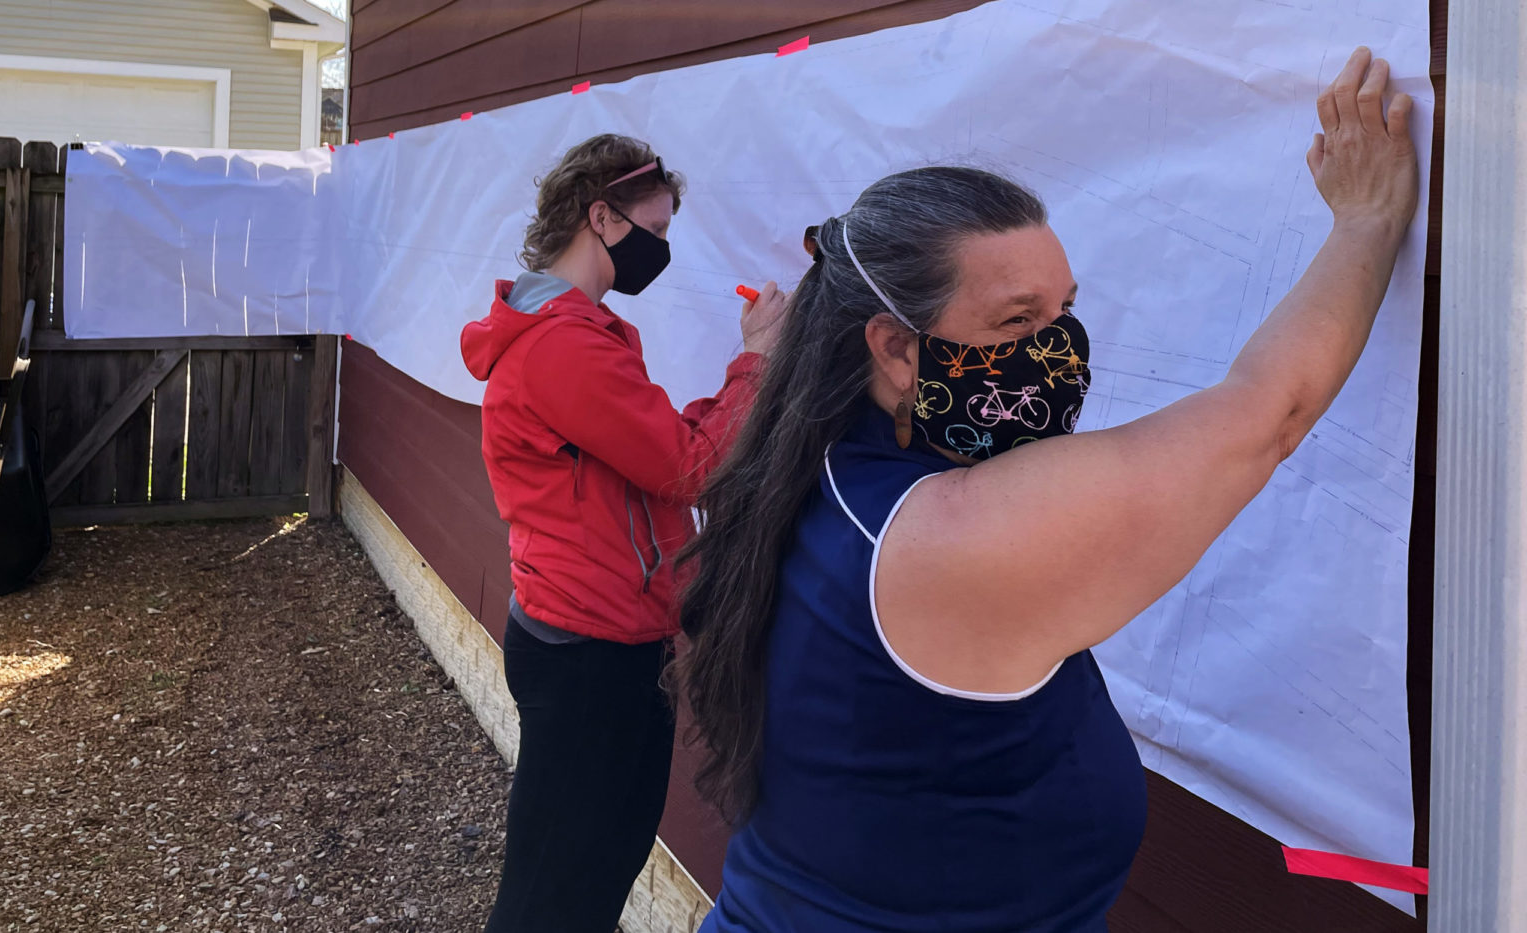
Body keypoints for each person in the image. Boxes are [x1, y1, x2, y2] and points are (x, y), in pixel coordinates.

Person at [675, 47, 1417, 932]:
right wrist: (1366, 222)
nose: (1058, 348)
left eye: (1064, 310)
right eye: (1016, 319)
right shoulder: (946, 536)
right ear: (898, 349)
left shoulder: (809, 464)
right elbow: (1268, 414)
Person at [459, 133, 786, 933]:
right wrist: (757, 361)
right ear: (601, 217)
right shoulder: (563, 345)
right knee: (556, 896)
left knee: (591, 868)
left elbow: (658, 449)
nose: (661, 248)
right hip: (590, 653)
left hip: (604, 636)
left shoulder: (578, 332)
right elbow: (694, 467)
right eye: (656, 229)